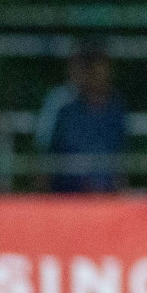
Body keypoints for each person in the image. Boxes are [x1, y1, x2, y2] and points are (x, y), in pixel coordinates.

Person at [41, 42, 127, 193]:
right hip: (72, 194)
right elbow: (53, 161)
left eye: (104, 71)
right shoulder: (67, 113)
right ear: (86, 75)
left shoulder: (116, 111)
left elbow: (120, 158)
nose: (100, 77)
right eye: (95, 72)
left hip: (107, 195)